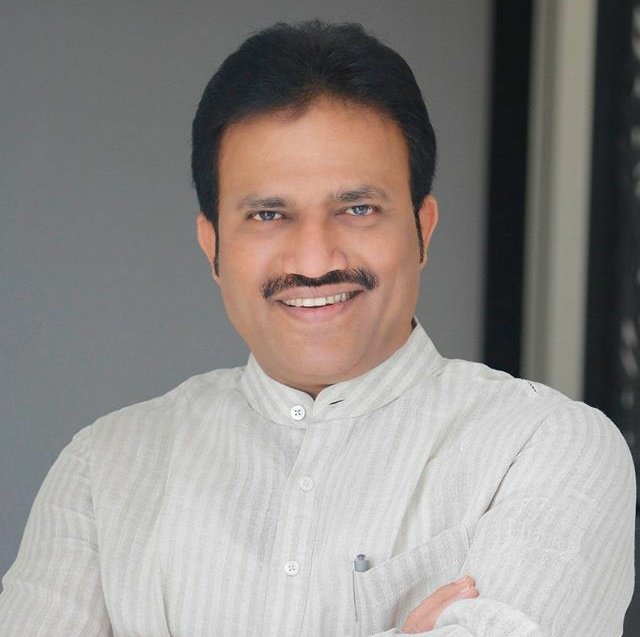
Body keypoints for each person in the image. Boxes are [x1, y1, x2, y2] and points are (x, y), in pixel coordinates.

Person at [0, 19, 635, 637]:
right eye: (268, 215)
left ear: (423, 229)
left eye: (358, 208)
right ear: (211, 244)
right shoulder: (103, 470)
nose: (313, 261)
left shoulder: (547, 448)